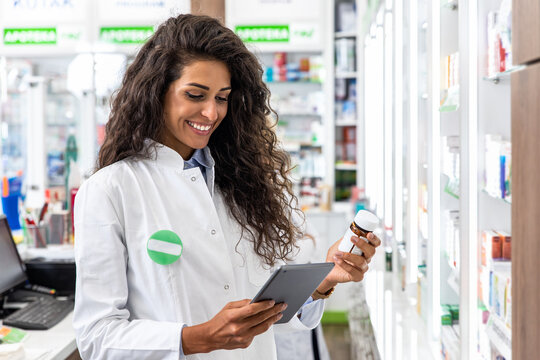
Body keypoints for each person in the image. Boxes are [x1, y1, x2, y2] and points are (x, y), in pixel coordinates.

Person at [73, 14, 381, 360]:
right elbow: (97, 336)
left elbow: (266, 310)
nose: (210, 112)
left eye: (222, 98)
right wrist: (196, 338)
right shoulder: (111, 190)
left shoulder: (242, 183)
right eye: (195, 94)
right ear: (156, 92)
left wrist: (323, 281)